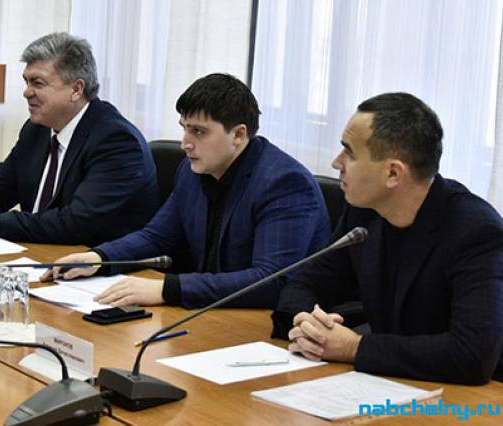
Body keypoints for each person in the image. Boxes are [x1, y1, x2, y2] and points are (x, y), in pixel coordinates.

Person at [272, 92, 503, 388]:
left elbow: (471, 355)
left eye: (349, 153)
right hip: (393, 382)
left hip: (481, 400)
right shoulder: (363, 213)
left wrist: (353, 348)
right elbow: (305, 284)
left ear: (393, 173)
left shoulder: (478, 234)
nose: (336, 162)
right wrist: (309, 324)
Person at [41, 73, 331, 309]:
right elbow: (157, 236)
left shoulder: (284, 184)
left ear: (238, 134)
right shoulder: (192, 171)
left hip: (264, 326)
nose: (185, 143)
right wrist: (100, 259)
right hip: (207, 312)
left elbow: (270, 281)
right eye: (184, 128)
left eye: (199, 131)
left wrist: (169, 289)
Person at [0, 32, 159, 246]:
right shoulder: (37, 129)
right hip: (40, 252)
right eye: (26, 82)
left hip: (96, 261)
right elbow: (0, 186)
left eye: (38, 83)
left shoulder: (117, 142)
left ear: (76, 89)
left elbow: (76, 223)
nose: (27, 92)